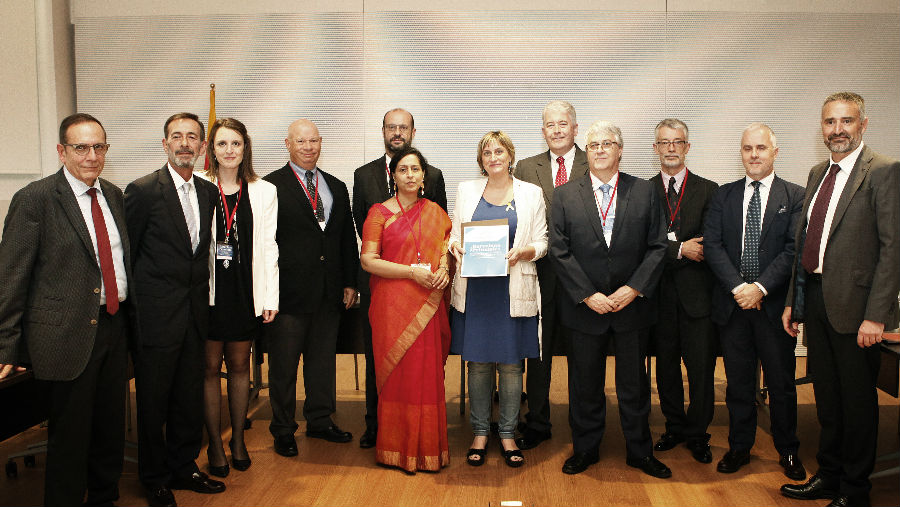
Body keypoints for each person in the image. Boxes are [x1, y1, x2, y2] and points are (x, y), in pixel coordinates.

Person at [0, 114, 131, 507]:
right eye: (81, 147)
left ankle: (105, 498)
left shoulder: (112, 194)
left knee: (110, 430)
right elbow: (12, 277)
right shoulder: (35, 199)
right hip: (65, 335)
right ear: (62, 151)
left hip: (113, 325)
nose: (91, 155)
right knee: (71, 437)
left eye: (99, 147)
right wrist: (6, 345)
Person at [780, 92, 900, 507]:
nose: (837, 130)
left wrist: (876, 317)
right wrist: (795, 302)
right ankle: (828, 476)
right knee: (827, 398)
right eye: (830, 122)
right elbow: (805, 245)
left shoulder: (883, 171)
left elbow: (892, 249)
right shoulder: (818, 172)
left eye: (846, 121)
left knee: (857, 403)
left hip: (858, 311)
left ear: (863, 124)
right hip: (817, 299)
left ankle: (855, 490)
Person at [549, 120, 670, 478]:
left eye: (607, 143)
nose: (600, 149)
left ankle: (640, 452)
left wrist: (633, 289)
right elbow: (559, 250)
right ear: (586, 153)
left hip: (631, 306)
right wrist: (587, 294)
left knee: (633, 387)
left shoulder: (645, 192)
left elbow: (658, 246)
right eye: (593, 145)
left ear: (620, 150)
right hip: (586, 308)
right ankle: (585, 449)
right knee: (585, 385)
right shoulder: (566, 195)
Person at [126, 112, 223, 507]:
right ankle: (155, 478)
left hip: (194, 314)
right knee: (154, 402)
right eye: (177, 137)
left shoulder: (207, 192)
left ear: (202, 147)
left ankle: (185, 467)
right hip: (156, 317)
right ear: (164, 144)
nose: (185, 143)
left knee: (187, 398)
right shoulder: (143, 190)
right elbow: (129, 256)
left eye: (192, 138)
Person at [703, 123, 806, 481]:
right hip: (734, 308)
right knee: (739, 384)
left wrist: (759, 288)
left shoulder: (795, 196)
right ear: (741, 153)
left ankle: (788, 450)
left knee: (781, 384)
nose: (754, 155)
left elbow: (794, 251)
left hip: (776, 309)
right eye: (748, 148)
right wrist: (739, 289)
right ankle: (739, 448)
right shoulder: (724, 195)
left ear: (775, 153)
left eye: (761, 148)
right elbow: (712, 246)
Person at [449, 131, 546, 468]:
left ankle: (506, 433)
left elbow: (543, 241)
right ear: (481, 159)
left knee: (510, 364)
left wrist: (525, 251)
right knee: (477, 364)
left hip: (512, 288)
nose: (493, 157)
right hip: (477, 291)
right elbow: (453, 235)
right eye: (486, 152)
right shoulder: (466, 190)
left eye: (499, 151)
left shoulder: (531, 193)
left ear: (510, 155)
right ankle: (479, 431)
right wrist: (455, 246)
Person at [352, 108, 447, 449]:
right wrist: (409, 272)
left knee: (423, 372)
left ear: (424, 177)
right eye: (402, 170)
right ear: (394, 175)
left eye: (414, 170)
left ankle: (424, 440)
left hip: (427, 300)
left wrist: (443, 271)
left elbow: (443, 242)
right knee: (385, 364)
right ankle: (383, 432)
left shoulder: (435, 198)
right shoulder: (371, 195)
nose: (409, 175)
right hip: (389, 298)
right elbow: (368, 253)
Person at [263, 119, 358, 458]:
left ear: (321, 143)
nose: (308, 147)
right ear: (287, 144)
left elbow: (346, 237)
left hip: (329, 292)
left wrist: (350, 281)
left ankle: (320, 420)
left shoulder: (335, 185)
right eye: (300, 141)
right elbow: (263, 243)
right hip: (288, 295)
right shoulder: (269, 186)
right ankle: (283, 429)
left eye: (313, 141)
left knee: (322, 363)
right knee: (284, 367)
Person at [197, 118, 279, 477]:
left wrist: (270, 297)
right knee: (210, 369)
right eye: (221, 144)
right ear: (211, 150)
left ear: (246, 148)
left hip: (245, 291)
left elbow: (268, 246)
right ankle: (214, 442)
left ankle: (239, 440)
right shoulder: (198, 186)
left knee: (242, 367)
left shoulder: (263, 190)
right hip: (209, 293)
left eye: (236, 144)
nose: (229, 151)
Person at [513, 100, 589, 450]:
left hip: (584, 276)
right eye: (549, 125)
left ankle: (583, 423)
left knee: (581, 352)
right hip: (540, 272)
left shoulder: (596, 161)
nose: (556, 130)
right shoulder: (527, 167)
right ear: (542, 131)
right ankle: (539, 422)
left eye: (563, 124)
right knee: (539, 352)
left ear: (576, 128)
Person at [647, 119, 719, 464]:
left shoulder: (709, 190)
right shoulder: (643, 192)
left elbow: (708, 245)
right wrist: (677, 248)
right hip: (659, 297)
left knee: (700, 370)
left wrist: (665, 246)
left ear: (687, 147)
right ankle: (673, 426)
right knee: (666, 370)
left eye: (677, 142)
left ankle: (698, 433)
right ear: (656, 149)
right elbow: (643, 244)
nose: (671, 148)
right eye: (664, 142)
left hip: (697, 298)